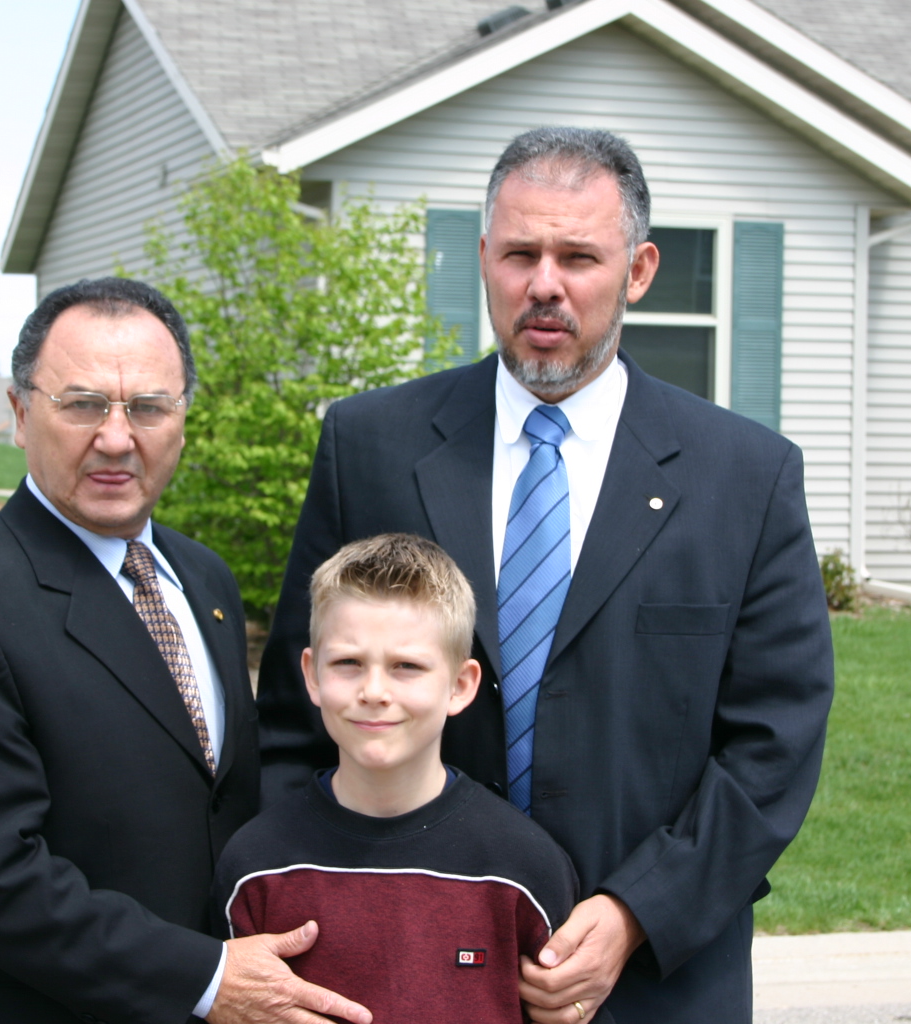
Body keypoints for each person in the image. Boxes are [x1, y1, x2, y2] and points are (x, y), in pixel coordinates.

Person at [257, 128, 836, 1024]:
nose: (545, 285)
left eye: (579, 257)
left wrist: (637, 912)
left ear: (639, 271)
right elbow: (295, 721)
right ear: (485, 258)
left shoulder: (745, 478)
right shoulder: (369, 448)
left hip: (655, 987)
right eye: (521, 254)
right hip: (399, 975)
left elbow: (775, 743)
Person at [0, 277, 370, 1024]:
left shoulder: (204, 578)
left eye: (147, 406)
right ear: (19, 414)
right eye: (81, 404)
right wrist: (206, 978)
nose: (115, 437)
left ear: (182, 419)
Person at [215, 533, 584, 1024]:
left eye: (406, 666)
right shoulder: (255, 863)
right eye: (348, 663)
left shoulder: (523, 865)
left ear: (460, 685)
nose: (374, 691)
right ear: (312, 675)